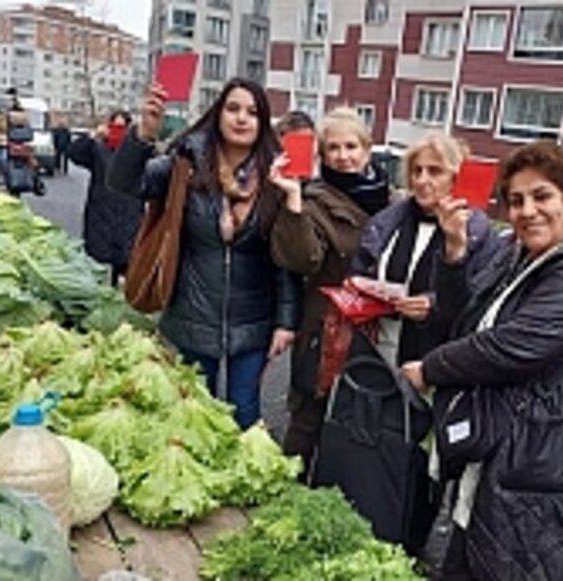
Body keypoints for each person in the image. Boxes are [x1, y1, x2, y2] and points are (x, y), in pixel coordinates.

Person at [401, 141, 563, 579]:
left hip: (539, 452)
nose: (528, 211)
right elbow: (460, 319)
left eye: (542, 196)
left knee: (516, 561)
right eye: (516, 200)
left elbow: (514, 346)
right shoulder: (520, 254)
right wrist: (454, 252)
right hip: (501, 437)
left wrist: (430, 368)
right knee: (472, 554)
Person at [107, 78, 300, 430]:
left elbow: (284, 258)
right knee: (195, 412)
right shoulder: (186, 163)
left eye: (252, 112)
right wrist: (143, 135)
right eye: (233, 108)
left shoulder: (276, 176)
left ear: (263, 122)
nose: (241, 118)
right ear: (217, 114)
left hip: (253, 322)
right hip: (191, 315)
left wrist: (286, 321)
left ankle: (243, 469)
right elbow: (124, 183)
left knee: (244, 413)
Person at [267, 106, 392, 470]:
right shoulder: (314, 200)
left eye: (351, 146)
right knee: (308, 418)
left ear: (367, 149)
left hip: (375, 330)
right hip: (326, 328)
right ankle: (287, 491)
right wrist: (293, 201)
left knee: (359, 422)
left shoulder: (391, 201)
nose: (343, 156)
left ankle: (336, 491)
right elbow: (303, 259)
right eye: (333, 148)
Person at [350, 132, 501, 367]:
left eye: (434, 171)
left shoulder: (479, 234)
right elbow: (361, 268)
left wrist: (433, 304)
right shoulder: (387, 220)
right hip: (378, 347)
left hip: (435, 356)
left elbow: (480, 298)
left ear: (455, 177)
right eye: (416, 171)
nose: (422, 180)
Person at [67, 110, 143, 285]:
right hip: (101, 213)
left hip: (129, 215)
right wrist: (92, 136)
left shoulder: (135, 152)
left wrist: (141, 139)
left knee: (125, 264)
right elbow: (74, 153)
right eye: (114, 127)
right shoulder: (98, 149)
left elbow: (154, 161)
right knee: (97, 265)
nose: (118, 132)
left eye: (122, 128)